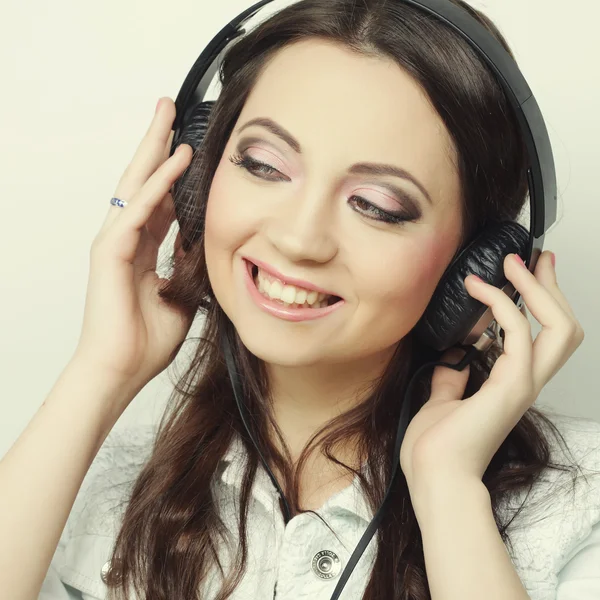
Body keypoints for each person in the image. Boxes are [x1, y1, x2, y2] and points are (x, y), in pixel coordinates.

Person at [1, 0, 599, 599]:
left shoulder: (582, 504)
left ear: (480, 261)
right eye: (262, 165)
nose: (298, 238)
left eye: (377, 205)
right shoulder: (100, 487)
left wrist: (449, 493)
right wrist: (102, 370)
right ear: (198, 178)